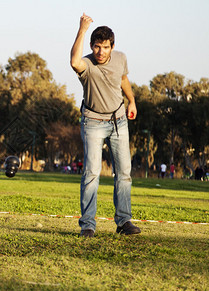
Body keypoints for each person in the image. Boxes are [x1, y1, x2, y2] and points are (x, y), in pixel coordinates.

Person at [70, 13, 140, 237]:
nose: (101, 52)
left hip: (119, 120)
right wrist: (82, 29)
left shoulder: (120, 58)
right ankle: (88, 225)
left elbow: (122, 79)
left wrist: (132, 100)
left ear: (112, 47)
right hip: (93, 122)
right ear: (92, 46)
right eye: (97, 47)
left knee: (124, 173)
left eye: (106, 47)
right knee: (91, 173)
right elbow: (73, 61)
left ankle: (124, 222)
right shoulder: (87, 65)